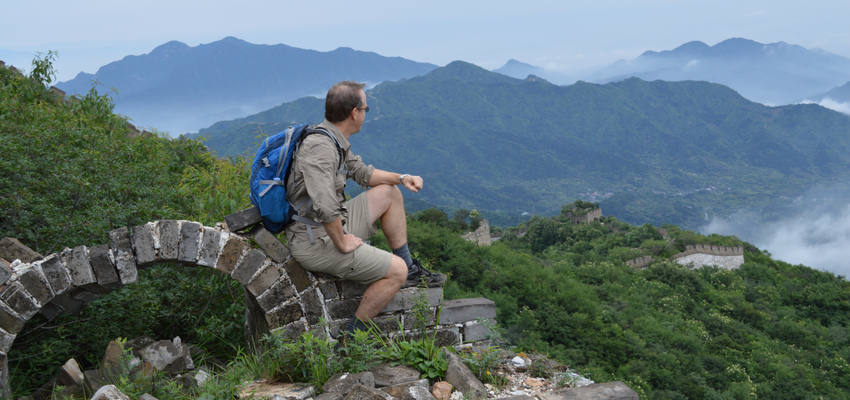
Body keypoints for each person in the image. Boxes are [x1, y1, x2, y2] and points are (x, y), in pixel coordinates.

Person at [285, 81, 445, 333]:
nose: (365, 114)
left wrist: (402, 178)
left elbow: (364, 174)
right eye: (365, 109)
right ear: (354, 113)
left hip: (329, 225)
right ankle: (353, 337)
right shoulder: (320, 148)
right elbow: (325, 206)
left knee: (390, 193)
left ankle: (411, 269)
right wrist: (342, 242)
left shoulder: (333, 139)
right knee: (396, 271)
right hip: (313, 240)